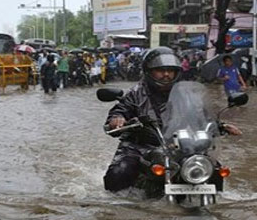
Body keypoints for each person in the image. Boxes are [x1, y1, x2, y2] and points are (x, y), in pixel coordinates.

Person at [103, 47, 241, 192]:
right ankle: (114, 206)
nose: (166, 74)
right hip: (140, 146)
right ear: (149, 71)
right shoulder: (135, 94)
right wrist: (117, 119)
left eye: (170, 70)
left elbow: (201, 115)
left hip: (176, 145)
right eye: (160, 70)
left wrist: (220, 125)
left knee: (213, 168)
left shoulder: (186, 93)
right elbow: (121, 110)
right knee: (120, 171)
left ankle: (217, 198)